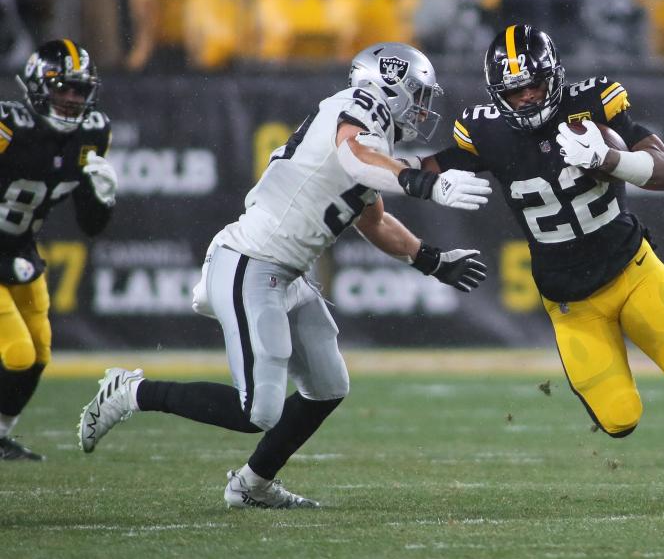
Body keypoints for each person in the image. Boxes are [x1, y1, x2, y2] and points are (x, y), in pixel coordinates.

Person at [77, 43, 492, 508]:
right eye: (417, 93)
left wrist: (432, 260)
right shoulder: (360, 107)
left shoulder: (373, 133)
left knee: (327, 386)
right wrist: (428, 184)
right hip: (250, 261)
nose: (422, 106)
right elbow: (355, 154)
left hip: (286, 272)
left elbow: (371, 218)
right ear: (390, 85)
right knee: (257, 410)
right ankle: (132, 391)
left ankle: (252, 486)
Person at [418, 25, 664, 512]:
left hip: (634, 271)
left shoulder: (591, 105)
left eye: (533, 85)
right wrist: (397, 178)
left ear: (555, 76)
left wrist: (610, 158)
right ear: (496, 95)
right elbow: (422, 169)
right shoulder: (485, 132)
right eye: (513, 91)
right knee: (620, 420)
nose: (526, 98)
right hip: (572, 303)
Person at [1, 40, 117, 461]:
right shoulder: (8, 126)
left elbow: (90, 226)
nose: (71, 98)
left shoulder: (92, 132)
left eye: (79, 90)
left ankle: (0, 434)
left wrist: (100, 199)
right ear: (36, 86)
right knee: (17, 352)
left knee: (40, 350)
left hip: (20, 247)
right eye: (62, 87)